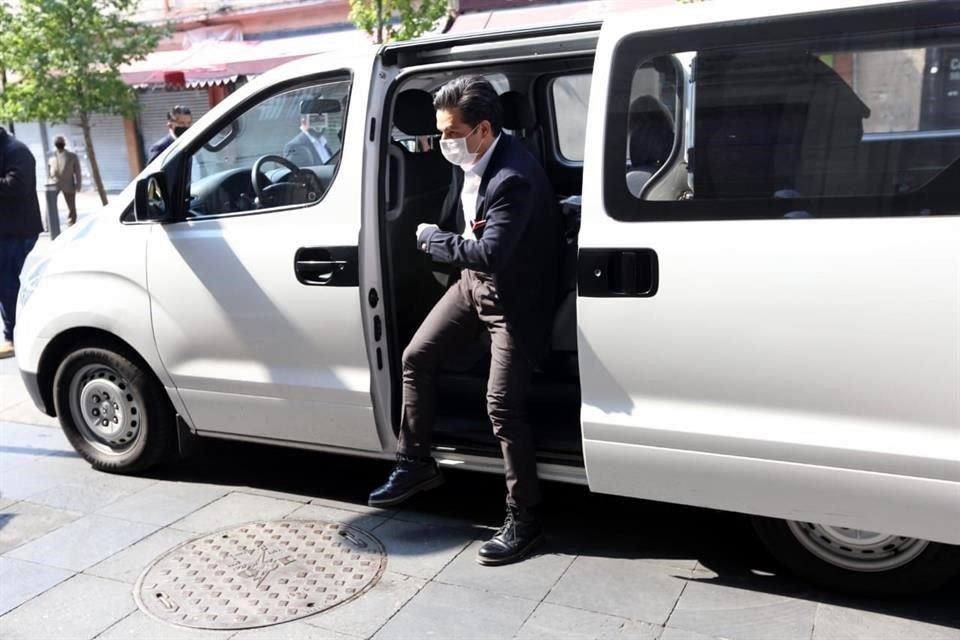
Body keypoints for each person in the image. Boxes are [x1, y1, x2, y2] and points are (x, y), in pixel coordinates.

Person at [368, 77, 561, 566]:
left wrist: (433, 241)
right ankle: (415, 463)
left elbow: (491, 252)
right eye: (439, 132)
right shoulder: (470, 160)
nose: (442, 143)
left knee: (502, 405)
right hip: (472, 284)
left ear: (483, 128)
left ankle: (525, 519)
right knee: (416, 357)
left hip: (512, 299)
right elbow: (469, 230)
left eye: (452, 132)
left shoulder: (512, 176)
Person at [0, 126, 43, 359]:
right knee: (6, 282)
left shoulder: (16, 150)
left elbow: (17, 185)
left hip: (18, 230)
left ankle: (15, 336)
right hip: (7, 230)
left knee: (7, 283)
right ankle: (15, 332)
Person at [283, 100, 335, 167]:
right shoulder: (294, 146)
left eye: (322, 118)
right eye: (314, 119)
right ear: (304, 121)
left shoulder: (324, 143)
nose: (319, 124)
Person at [48, 136, 82, 226]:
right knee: (50, 204)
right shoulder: (52, 156)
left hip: (68, 184)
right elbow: (49, 170)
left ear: (64, 143)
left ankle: (72, 222)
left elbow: (77, 172)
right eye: (58, 142)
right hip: (54, 184)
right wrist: (49, 181)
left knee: (71, 206)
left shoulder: (72, 156)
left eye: (61, 142)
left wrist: (78, 185)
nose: (59, 144)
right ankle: (49, 224)